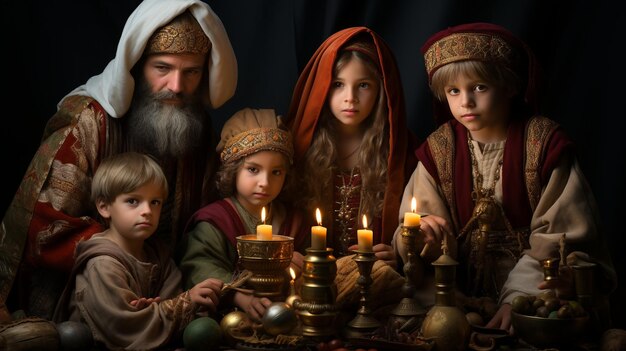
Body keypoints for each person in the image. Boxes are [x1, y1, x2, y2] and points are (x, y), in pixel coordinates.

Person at [0, 0, 237, 321]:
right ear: (138, 65)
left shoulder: (199, 129)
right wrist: (129, 262)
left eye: (191, 72)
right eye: (163, 68)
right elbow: (45, 225)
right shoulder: (88, 122)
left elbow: (205, 220)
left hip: (174, 289)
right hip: (90, 293)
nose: (177, 86)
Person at [394, 22, 617, 332]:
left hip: (534, 290)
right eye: (453, 91)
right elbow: (414, 224)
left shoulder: (544, 144)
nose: (465, 102)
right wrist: (424, 236)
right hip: (459, 295)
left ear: (510, 86)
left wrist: (519, 299)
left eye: (479, 87)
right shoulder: (439, 150)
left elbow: (561, 237)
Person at [284, 27, 418, 308]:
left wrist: (397, 253)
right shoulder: (296, 146)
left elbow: (415, 224)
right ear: (323, 87)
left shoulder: (402, 152)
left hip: (372, 285)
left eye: (363, 85)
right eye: (338, 84)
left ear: (382, 90)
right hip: (306, 281)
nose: (350, 98)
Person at [52, 152, 224, 350]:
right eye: (133, 201)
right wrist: (184, 302)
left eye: (155, 202)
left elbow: (172, 301)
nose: (147, 211)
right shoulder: (102, 263)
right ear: (104, 207)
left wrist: (156, 309)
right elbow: (121, 325)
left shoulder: (158, 255)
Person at [179, 108, 308, 322]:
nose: (265, 183)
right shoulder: (216, 220)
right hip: (230, 318)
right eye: (253, 170)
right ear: (233, 170)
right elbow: (199, 266)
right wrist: (238, 296)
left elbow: (315, 261)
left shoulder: (295, 222)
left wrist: (304, 263)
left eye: (276, 172)